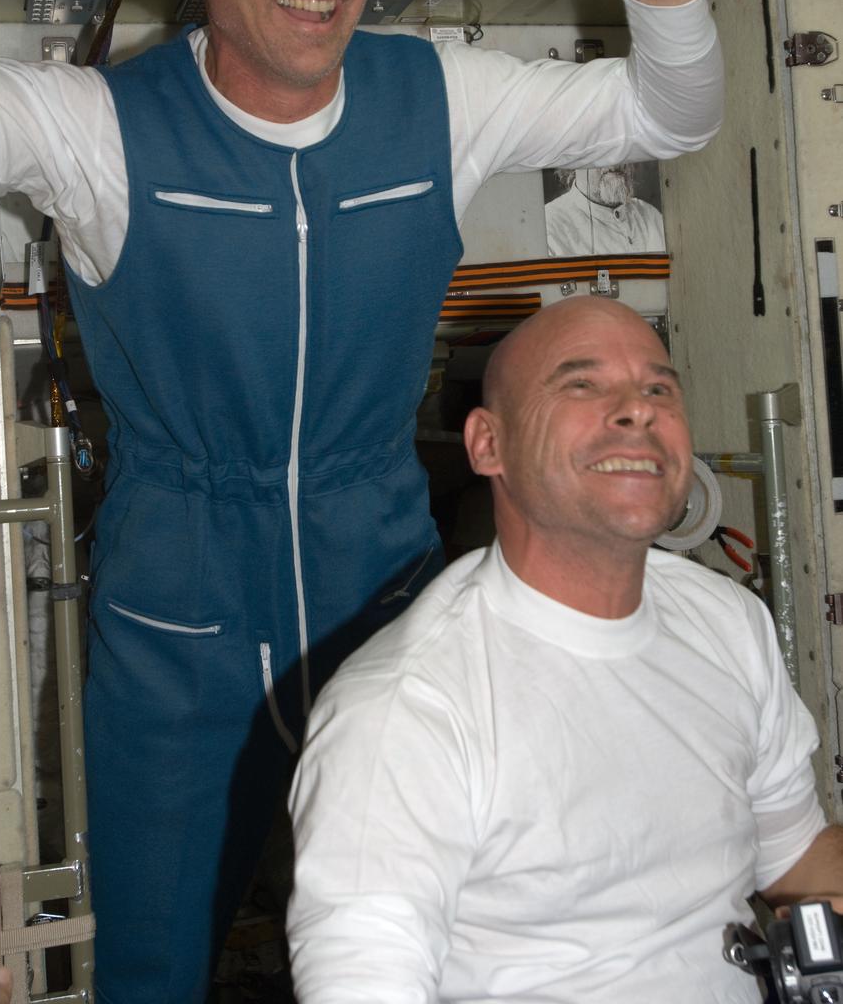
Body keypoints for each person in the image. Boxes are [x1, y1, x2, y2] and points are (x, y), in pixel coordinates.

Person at [0, 0, 723, 1004]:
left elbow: (672, 112)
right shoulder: (98, 127)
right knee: (151, 970)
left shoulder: (437, 94)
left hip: (390, 607)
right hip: (177, 629)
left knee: (455, 950)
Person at [287, 296, 843, 1003]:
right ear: (488, 444)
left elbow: (794, 854)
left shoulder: (725, 622)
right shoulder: (404, 710)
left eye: (659, 389)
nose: (636, 410)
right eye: (581, 384)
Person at [544, 164, 666, 255]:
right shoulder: (548, 226)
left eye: (623, 149)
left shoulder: (650, 215)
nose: (616, 160)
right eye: (601, 150)